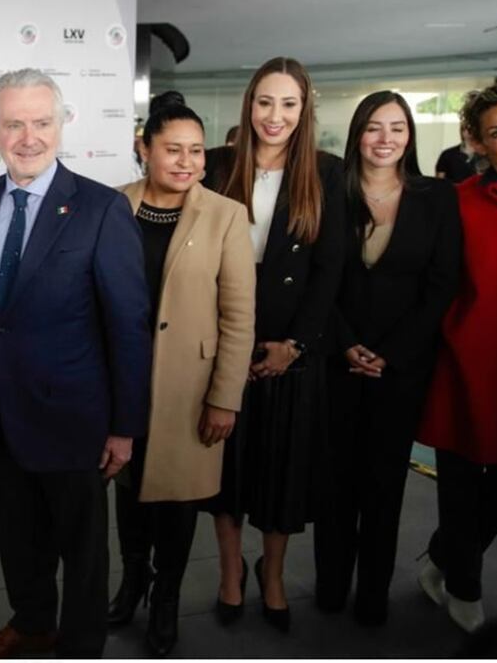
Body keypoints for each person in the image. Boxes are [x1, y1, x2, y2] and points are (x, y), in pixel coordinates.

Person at [0, 68, 152, 659]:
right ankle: (30, 626)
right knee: (17, 538)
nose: (29, 137)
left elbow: (128, 326)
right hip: (0, 411)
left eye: (41, 122)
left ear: (61, 124)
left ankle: (81, 646)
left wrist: (125, 428)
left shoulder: (101, 208)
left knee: (82, 551)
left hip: (76, 418)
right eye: (14, 124)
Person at [201, 57, 345, 633]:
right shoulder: (217, 165)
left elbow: (329, 269)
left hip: (290, 345)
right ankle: (231, 571)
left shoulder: (327, 173)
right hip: (225, 335)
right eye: (265, 102)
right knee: (228, 468)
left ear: (304, 109)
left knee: (283, 470)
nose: (275, 115)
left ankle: (275, 573)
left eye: (288, 103)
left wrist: (297, 345)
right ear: (249, 104)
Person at [111, 104, 255, 656]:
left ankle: (165, 598)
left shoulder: (225, 215)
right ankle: (132, 582)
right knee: (128, 487)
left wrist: (225, 397)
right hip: (122, 381)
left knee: (177, 499)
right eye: (173, 149)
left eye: (196, 150)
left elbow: (238, 317)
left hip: (189, 387)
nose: (186, 161)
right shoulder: (112, 206)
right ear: (144, 148)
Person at [313, 91, 462, 626]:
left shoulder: (435, 197)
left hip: (400, 367)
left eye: (397, 128)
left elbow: (441, 284)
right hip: (336, 359)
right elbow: (316, 275)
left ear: (410, 136)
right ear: (358, 134)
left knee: (384, 485)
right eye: (374, 127)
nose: (385, 139)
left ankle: (373, 593)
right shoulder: (330, 191)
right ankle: (330, 586)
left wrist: (391, 353)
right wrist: (343, 341)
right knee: (334, 484)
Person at [417, 81, 497, 633]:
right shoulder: (458, 202)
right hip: (464, 368)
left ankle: (443, 557)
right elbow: (434, 283)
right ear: (477, 142)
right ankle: (465, 587)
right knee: (461, 486)